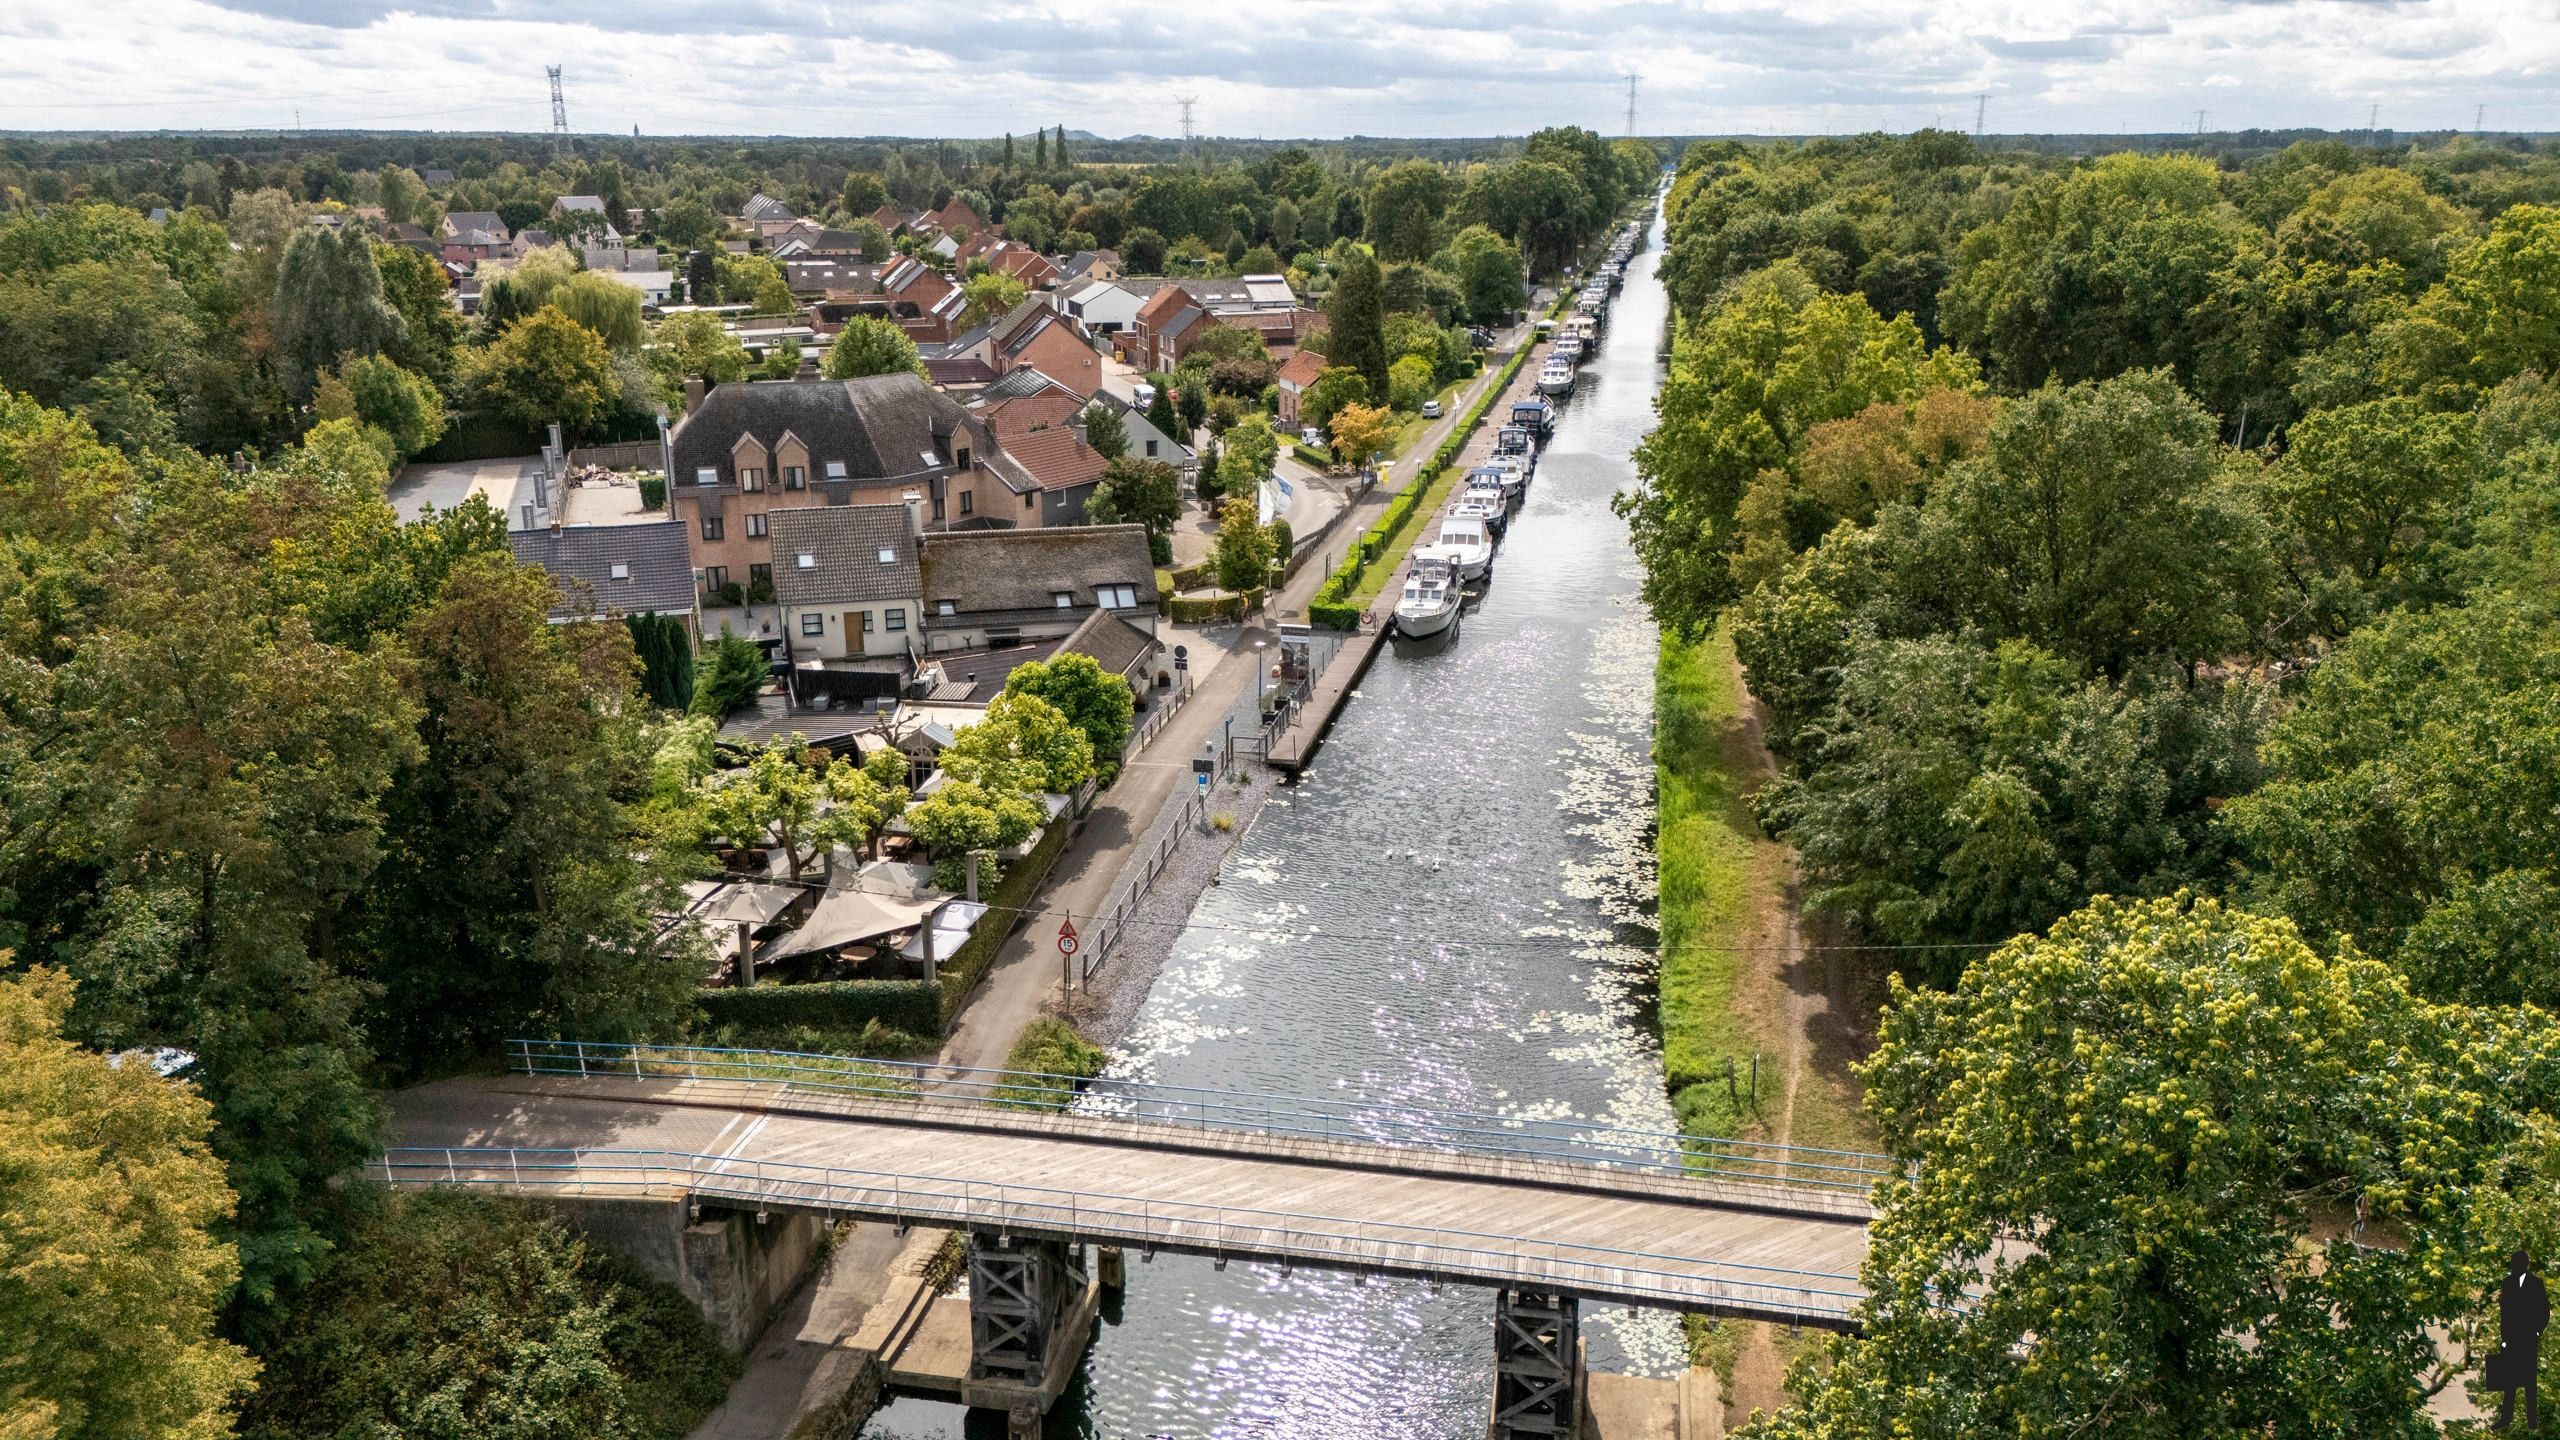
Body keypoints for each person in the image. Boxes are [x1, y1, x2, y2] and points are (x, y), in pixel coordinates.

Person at [2496, 1248, 2549, 1430]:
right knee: (2509, 1380)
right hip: (2511, 1339)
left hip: (2528, 1339)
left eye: (2516, 1263)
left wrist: (2537, 1332)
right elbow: (2505, 1313)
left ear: (2524, 1265)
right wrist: (2504, 1338)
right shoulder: (2507, 1282)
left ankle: (2532, 1421)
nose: (2513, 1266)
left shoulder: (2536, 1283)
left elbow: (2544, 1311)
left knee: (2529, 1381)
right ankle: (2505, 1418)